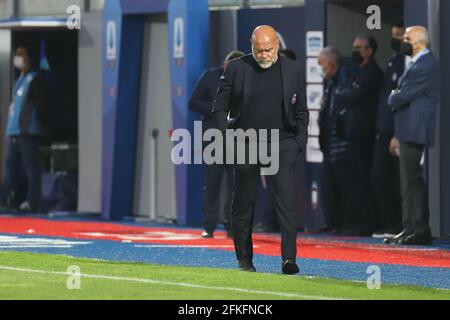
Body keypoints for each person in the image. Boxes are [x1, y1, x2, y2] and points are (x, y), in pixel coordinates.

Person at [212, 25, 309, 274]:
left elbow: (301, 111)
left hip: (282, 142)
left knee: (286, 202)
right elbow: (220, 106)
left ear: (277, 45)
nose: (264, 55)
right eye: (259, 50)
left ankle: (288, 259)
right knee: (243, 204)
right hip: (246, 141)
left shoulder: (293, 69)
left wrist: (299, 140)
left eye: (268, 49)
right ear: (251, 46)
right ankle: (245, 260)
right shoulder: (236, 68)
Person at [385, 26, 440, 246]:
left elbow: (400, 96)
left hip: (416, 128)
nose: (403, 41)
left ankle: (418, 228)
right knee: (407, 181)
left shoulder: (426, 65)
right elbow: (400, 94)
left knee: (412, 181)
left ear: (419, 42)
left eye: (407, 38)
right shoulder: (418, 63)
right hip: (408, 128)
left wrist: (394, 95)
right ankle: (409, 226)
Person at [189, 50, 244, 239]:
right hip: (213, 136)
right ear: (225, 64)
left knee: (234, 184)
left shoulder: (246, 80)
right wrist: (217, 110)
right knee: (212, 182)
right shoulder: (210, 76)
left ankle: (231, 226)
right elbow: (194, 102)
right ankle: (209, 226)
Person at [337, 34, 383, 236]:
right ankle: (357, 220)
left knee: (364, 178)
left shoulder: (373, 72)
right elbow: (346, 92)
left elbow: (353, 95)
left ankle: (369, 221)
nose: (355, 51)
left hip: (365, 134)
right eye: (353, 47)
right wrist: (347, 94)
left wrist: (346, 94)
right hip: (352, 133)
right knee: (354, 179)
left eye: (359, 47)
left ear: (369, 50)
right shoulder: (357, 71)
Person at [0, 46, 49, 212]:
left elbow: (42, 106)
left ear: (28, 58)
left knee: (30, 167)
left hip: (27, 131)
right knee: (10, 166)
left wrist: (38, 124)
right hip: (14, 131)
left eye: (21, 55)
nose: (17, 58)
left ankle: (32, 201)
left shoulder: (34, 80)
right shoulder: (20, 79)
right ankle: (5, 198)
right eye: (17, 54)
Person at [371, 24, 406, 238]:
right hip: (384, 130)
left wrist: (396, 132)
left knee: (396, 179)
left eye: (399, 36)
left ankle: (399, 224)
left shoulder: (405, 62)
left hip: (396, 130)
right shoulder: (394, 59)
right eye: (393, 35)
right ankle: (390, 223)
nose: (395, 39)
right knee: (380, 176)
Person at [317, 47, 354, 233]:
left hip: (340, 142)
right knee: (329, 185)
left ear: (330, 64)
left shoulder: (344, 79)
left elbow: (342, 113)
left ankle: (347, 223)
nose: (319, 68)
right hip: (329, 144)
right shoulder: (330, 82)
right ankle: (334, 222)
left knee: (345, 186)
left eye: (321, 64)